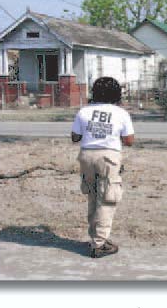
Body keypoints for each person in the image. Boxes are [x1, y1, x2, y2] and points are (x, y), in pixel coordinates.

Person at [71, 76, 134, 258]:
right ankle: (99, 244)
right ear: (117, 94)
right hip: (108, 157)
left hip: (86, 155)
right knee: (107, 198)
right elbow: (129, 141)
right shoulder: (121, 113)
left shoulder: (83, 111)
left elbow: (75, 137)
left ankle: (94, 237)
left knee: (93, 196)